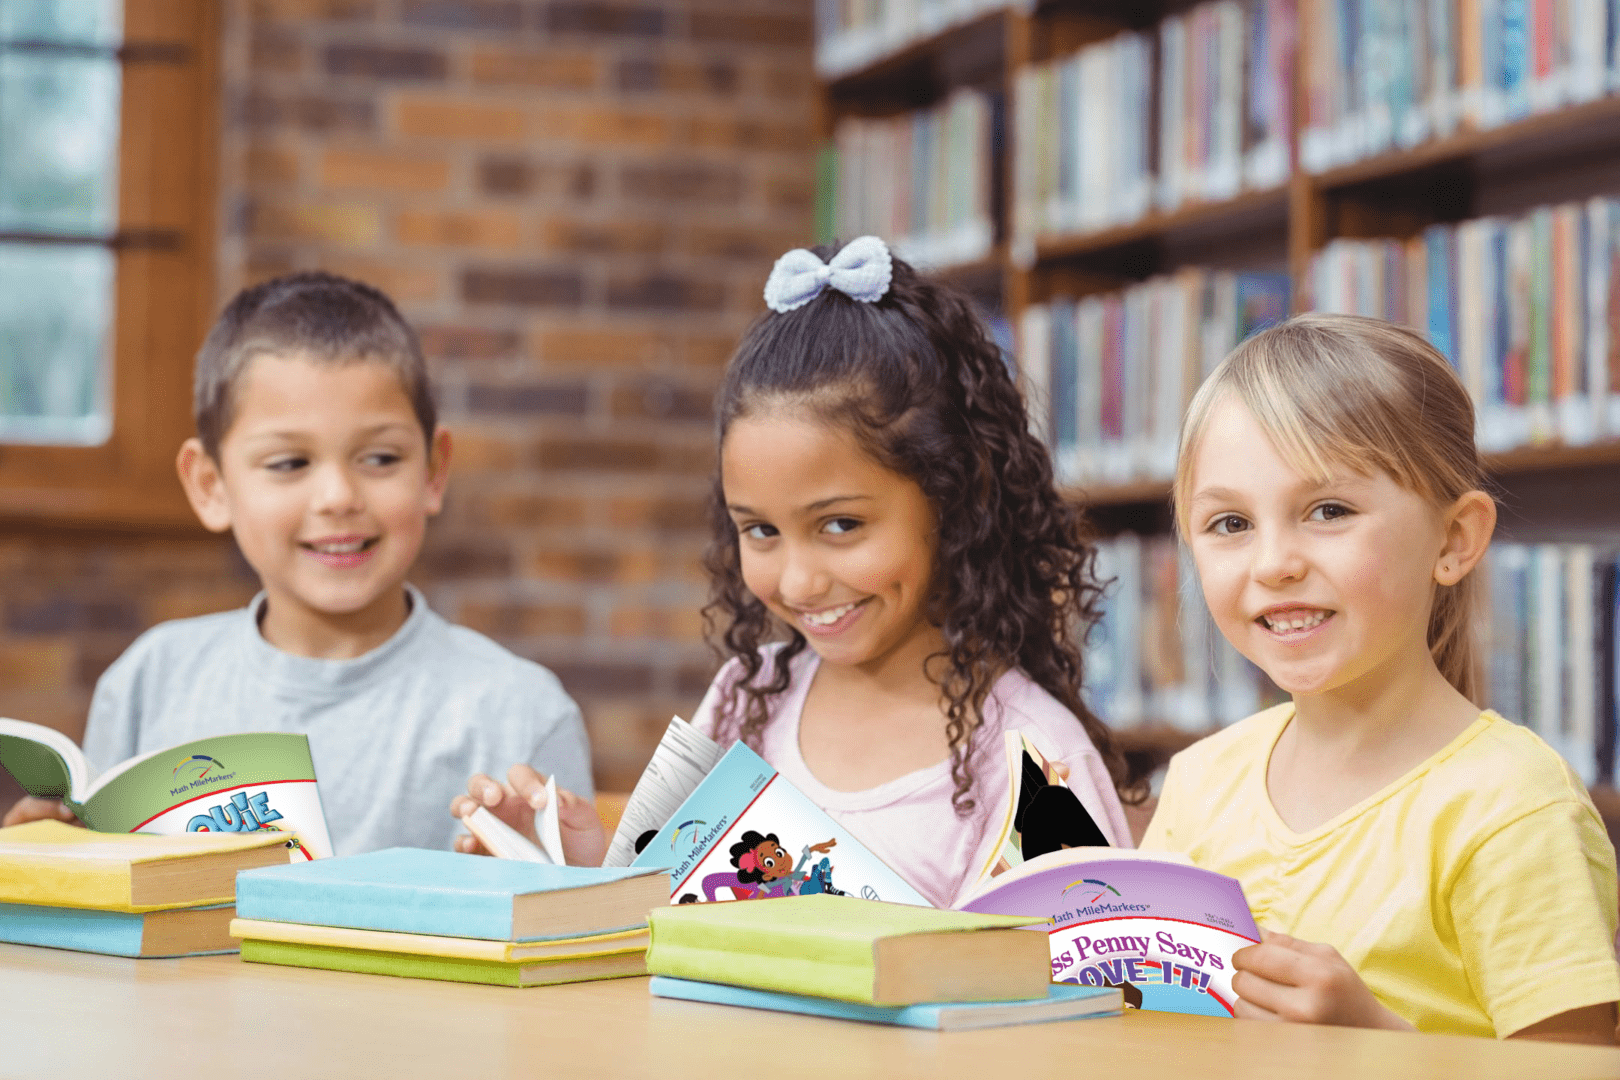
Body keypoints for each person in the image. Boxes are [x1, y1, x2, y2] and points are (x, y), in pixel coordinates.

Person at [452, 236, 1136, 906]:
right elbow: (666, 917)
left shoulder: (1035, 759)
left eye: (841, 525)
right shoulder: (744, 701)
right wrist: (580, 862)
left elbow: (1084, 996)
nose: (801, 581)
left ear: (955, 500)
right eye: (761, 531)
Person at [1144, 312, 1620, 1042]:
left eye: (1328, 510)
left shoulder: (1512, 809)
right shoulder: (1200, 783)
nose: (1274, 563)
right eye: (1230, 524)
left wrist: (1375, 1038)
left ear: (1455, 540)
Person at [1, 271, 593, 854]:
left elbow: (581, 930)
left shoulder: (522, 711)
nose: (338, 497)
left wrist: (537, 889)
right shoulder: (148, 682)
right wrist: (51, 865)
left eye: (381, 457)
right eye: (288, 464)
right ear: (210, 485)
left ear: (434, 472)